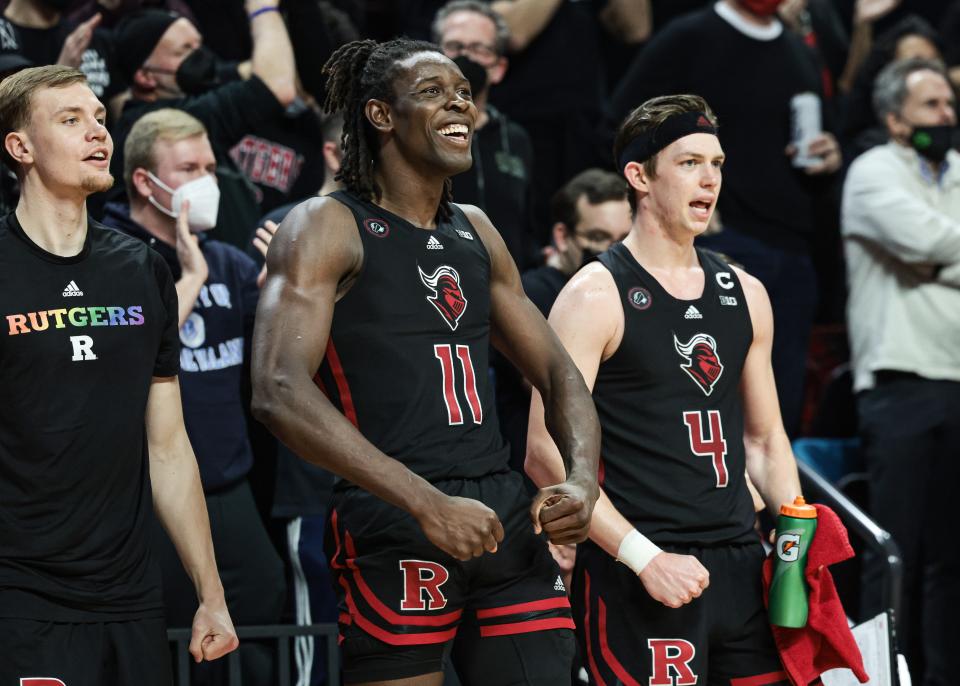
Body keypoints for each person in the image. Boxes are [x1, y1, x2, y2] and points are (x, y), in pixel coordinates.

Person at [251, 38, 601, 686]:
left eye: (465, 93)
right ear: (381, 115)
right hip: (395, 511)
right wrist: (425, 503)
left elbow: (558, 374)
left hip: (499, 510)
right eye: (435, 92)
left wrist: (582, 477)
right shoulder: (326, 224)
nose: (459, 105)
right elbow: (277, 388)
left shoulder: (475, 228)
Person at [527, 94, 804, 684]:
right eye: (689, 163)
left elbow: (765, 440)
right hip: (644, 565)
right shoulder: (593, 294)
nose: (710, 179)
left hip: (741, 561)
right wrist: (643, 558)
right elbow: (546, 453)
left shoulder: (746, 290)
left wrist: (795, 545)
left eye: (718, 163)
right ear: (639, 176)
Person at [0, 64, 237, 684]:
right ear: (20, 148)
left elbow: (168, 446)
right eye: (71, 120)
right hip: (21, 595)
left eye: (100, 118)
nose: (97, 132)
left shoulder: (140, 268)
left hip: (131, 592)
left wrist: (210, 593)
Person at [99, 107, 286, 685]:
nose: (207, 180)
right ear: (144, 181)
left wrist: (292, 286)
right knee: (174, 639)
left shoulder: (230, 261)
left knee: (260, 610)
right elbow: (125, 362)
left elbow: (278, 362)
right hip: (147, 489)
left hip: (228, 483)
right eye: (188, 168)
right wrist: (190, 279)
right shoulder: (110, 257)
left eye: (210, 165)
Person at [608, 0, 843, 437]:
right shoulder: (690, 36)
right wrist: (670, 205)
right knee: (702, 391)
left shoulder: (799, 49)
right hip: (718, 241)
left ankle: (768, 504)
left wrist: (831, 154)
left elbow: (818, 134)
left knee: (780, 405)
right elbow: (623, 125)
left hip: (793, 247)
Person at [842, 57, 960, 685]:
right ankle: (876, 678)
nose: (947, 117)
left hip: (958, 378)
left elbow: (936, 248)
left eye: (949, 105)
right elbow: (925, 242)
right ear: (893, 119)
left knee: (952, 560)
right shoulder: (871, 171)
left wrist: (937, 259)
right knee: (892, 555)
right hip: (900, 382)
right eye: (931, 107)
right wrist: (935, 252)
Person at [108, 2, 296, 248]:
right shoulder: (157, 123)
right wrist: (262, 10)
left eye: (198, 44)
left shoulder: (193, 98)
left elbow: (262, 69)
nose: (199, 57)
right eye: (184, 50)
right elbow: (276, 86)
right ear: (146, 76)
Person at [495, 168, 631, 481]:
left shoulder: (631, 290)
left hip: (620, 466)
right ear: (562, 236)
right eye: (597, 238)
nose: (611, 252)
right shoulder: (528, 293)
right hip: (549, 470)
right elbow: (544, 382)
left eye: (622, 240)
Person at [432, 0, 536, 269]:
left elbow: (528, 226)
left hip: (506, 288)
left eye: (479, 48)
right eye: (455, 47)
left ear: (498, 68)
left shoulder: (516, 139)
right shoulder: (415, 131)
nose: (466, 57)